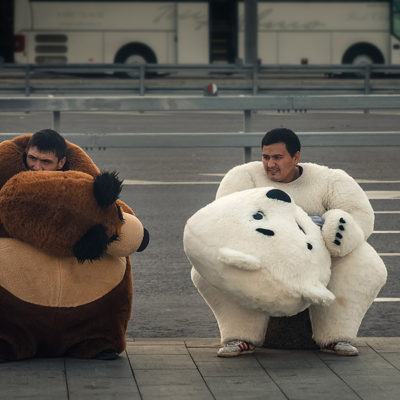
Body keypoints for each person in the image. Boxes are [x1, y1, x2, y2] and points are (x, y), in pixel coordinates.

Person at [192, 128, 387, 357]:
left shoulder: (330, 180)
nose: (270, 164)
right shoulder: (245, 178)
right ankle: (239, 336)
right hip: (261, 260)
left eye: (277, 157)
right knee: (209, 265)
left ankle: (336, 337)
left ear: (296, 157)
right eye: (266, 157)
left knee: (364, 261)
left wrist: (336, 229)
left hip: (318, 262)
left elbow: (361, 215)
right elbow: (224, 219)